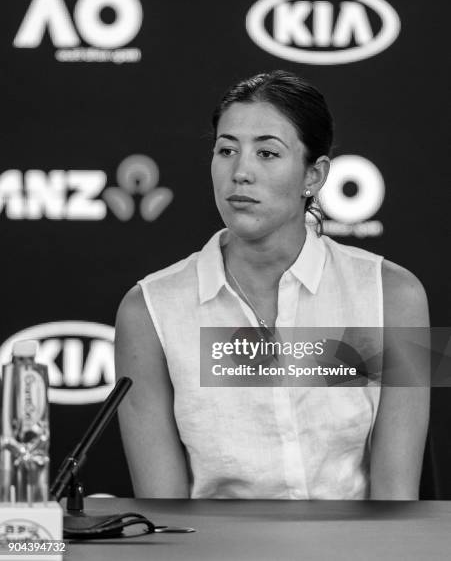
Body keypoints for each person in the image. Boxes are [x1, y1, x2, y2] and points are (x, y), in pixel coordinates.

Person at [115, 70, 429, 500]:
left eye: (267, 153)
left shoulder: (394, 297)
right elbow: (164, 514)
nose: (240, 172)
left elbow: (397, 501)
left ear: (313, 177)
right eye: (226, 150)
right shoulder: (148, 309)